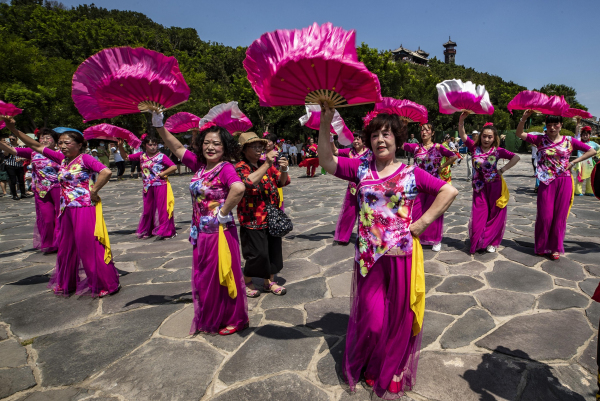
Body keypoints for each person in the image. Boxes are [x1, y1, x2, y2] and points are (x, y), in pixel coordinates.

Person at [318, 103, 458, 398]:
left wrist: (422, 223)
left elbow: (449, 191)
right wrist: (327, 118)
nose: (380, 140)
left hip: (402, 259)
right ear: (368, 140)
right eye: (375, 135)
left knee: (399, 321)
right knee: (373, 320)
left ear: (397, 139)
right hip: (369, 260)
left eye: (386, 134)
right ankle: (374, 362)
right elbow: (327, 161)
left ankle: (390, 369)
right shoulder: (360, 169)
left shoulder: (412, 173)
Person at [153, 112, 249, 336]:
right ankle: (213, 314)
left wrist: (223, 213)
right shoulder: (198, 165)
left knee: (223, 275)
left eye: (216, 143)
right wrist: (158, 125)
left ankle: (234, 317)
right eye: (207, 143)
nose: (211, 147)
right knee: (206, 277)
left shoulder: (225, 167)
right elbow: (176, 147)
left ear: (225, 147)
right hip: (201, 233)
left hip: (220, 233)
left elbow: (239, 188)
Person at [4, 120, 119, 297]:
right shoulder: (61, 159)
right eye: (60, 143)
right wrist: (12, 128)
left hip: (84, 208)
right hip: (66, 210)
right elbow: (34, 144)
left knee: (88, 246)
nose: (63, 146)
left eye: (67, 143)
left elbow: (106, 172)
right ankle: (68, 282)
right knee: (66, 247)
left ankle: (104, 283)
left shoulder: (85, 158)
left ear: (79, 145)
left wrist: (94, 190)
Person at [516, 111, 595, 260]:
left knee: (560, 216)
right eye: (549, 125)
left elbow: (591, 150)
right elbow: (520, 133)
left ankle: (554, 247)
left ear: (561, 125)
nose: (552, 127)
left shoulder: (570, 140)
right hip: (546, 182)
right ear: (546, 126)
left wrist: (573, 162)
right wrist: (524, 118)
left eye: (555, 124)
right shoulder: (540, 139)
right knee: (545, 216)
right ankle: (541, 245)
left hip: (564, 181)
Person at [236, 132, 290, 298]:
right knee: (257, 254)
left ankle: (269, 282)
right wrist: (267, 162)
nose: (260, 149)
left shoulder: (265, 164)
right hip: (252, 218)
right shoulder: (239, 167)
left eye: (261, 146)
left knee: (274, 251)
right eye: (255, 146)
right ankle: (247, 280)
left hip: (271, 216)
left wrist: (283, 169)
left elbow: (282, 182)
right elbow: (249, 183)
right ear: (244, 150)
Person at [458, 115, 520, 254]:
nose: (486, 139)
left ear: (494, 138)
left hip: (495, 186)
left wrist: (502, 170)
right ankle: (479, 241)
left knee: (495, 214)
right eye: (484, 136)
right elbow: (462, 135)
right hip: (479, 187)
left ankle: (492, 241)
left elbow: (516, 157)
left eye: (489, 137)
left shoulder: (498, 151)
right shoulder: (474, 148)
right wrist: (461, 120)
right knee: (479, 214)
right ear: (481, 136)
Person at [0, 127, 61, 252]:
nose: (44, 140)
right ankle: (51, 243)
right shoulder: (33, 152)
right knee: (47, 219)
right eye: (41, 137)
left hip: (60, 189)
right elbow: (10, 150)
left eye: (47, 137)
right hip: (41, 190)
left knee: (61, 217)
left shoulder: (62, 152)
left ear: (55, 141)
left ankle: (64, 242)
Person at [403, 124, 457, 252]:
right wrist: (405, 125)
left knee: (434, 211)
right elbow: (400, 144)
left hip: (434, 183)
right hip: (417, 184)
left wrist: (442, 167)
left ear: (432, 133)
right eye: (422, 130)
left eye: (427, 130)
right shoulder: (416, 147)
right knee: (416, 210)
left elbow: (454, 156)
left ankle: (435, 239)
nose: (424, 132)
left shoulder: (438, 147)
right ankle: (417, 237)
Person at [117, 137, 177, 239]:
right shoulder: (141, 156)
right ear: (145, 145)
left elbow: (173, 166)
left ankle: (166, 231)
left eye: (155, 144)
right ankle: (148, 230)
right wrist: (120, 146)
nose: (153, 147)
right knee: (147, 210)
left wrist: (163, 173)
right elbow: (126, 157)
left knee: (163, 209)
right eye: (150, 145)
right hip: (147, 187)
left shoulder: (161, 156)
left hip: (161, 185)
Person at [331, 131, 372, 245]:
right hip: (353, 188)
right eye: (354, 139)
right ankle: (343, 237)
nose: (355, 141)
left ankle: (367, 237)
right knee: (348, 212)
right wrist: (330, 138)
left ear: (363, 141)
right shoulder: (349, 152)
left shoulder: (370, 152)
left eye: (358, 139)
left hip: (367, 187)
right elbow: (335, 151)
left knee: (367, 213)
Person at [574, 126, 599, 196]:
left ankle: (589, 191)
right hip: (580, 163)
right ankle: (578, 191)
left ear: (589, 135)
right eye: (583, 135)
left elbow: (598, 149)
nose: (585, 136)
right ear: (581, 135)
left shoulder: (593, 143)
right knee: (580, 177)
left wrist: (594, 154)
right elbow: (576, 134)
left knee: (590, 177)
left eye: (586, 134)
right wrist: (578, 124)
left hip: (589, 163)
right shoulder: (579, 142)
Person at [3, 134, 29, 200]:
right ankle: (14, 194)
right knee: (13, 181)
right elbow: (5, 154)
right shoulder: (8, 147)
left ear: (17, 139)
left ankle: (23, 193)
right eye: (10, 139)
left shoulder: (21, 147)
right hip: (10, 165)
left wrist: (21, 159)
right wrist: (8, 147)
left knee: (21, 180)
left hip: (19, 165)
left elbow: (28, 156)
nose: (11, 140)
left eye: (13, 139)